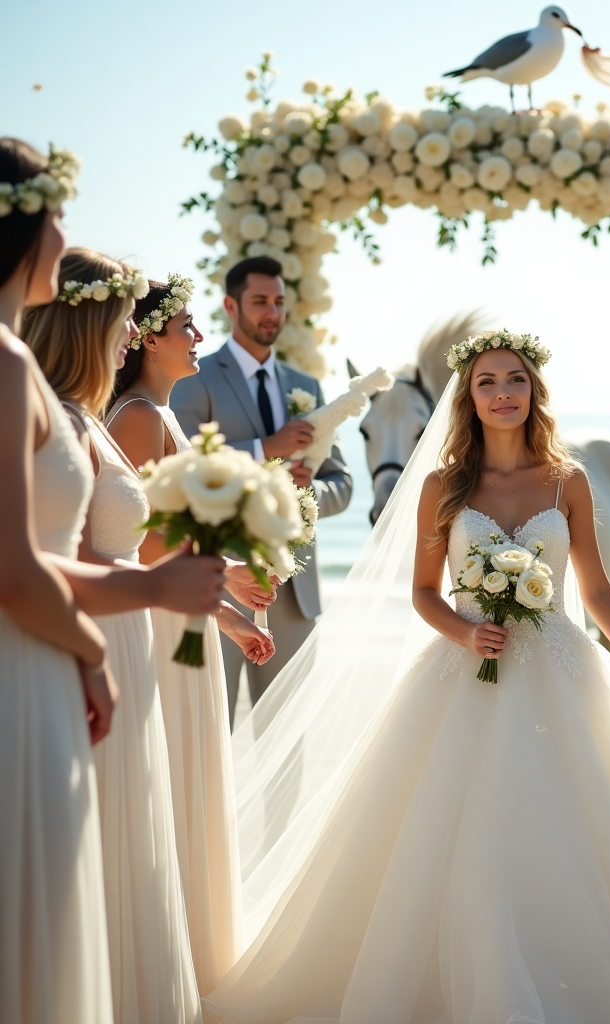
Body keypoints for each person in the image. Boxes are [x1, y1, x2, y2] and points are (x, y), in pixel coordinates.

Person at [203, 329, 610, 1023]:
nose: (502, 393)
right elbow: (422, 593)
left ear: (533, 391)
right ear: (467, 397)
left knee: (572, 832)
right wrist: (466, 631)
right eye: (487, 382)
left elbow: (596, 593)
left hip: (560, 670)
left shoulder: (568, 480)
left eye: (514, 380)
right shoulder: (442, 486)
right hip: (464, 670)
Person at [0, 138, 223, 1024]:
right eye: (54, 215)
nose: (63, 234)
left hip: (55, 648)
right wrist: (112, 628)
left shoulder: (42, 389)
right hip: (38, 653)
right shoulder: (19, 375)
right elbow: (19, 565)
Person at [106, 276, 274, 995]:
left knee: (192, 783)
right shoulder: (139, 417)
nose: (199, 339)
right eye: (187, 327)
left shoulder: (165, 419)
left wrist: (231, 607)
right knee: (174, 786)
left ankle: (195, 963)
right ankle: (165, 969)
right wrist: (228, 573)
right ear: (145, 338)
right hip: (161, 625)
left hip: (187, 622)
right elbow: (142, 549)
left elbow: (170, 539)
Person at [170, 255, 352, 726]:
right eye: (259, 302)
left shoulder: (306, 384)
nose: (271, 312)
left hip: (295, 596)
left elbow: (343, 484)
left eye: (278, 302)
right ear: (231, 305)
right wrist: (263, 450)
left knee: (289, 748)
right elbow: (180, 468)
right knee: (211, 732)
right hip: (221, 587)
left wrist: (303, 498)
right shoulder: (194, 377)